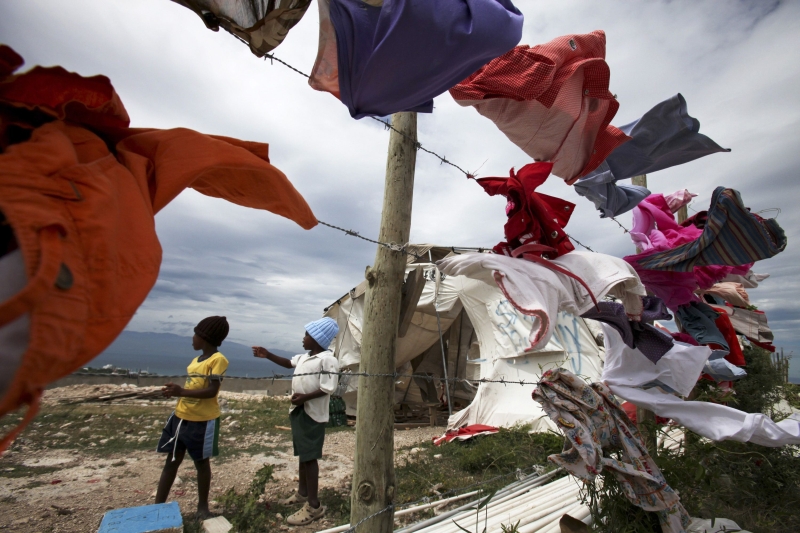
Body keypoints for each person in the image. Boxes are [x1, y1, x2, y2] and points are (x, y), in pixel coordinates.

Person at [252, 317, 340, 526]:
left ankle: (314, 505)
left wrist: (304, 397)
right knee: (303, 453)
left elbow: (329, 387)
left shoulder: (328, 360)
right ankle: (302, 493)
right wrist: (268, 355)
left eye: (307, 335)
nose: (303, 338)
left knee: (310, 457)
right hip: (299, 411)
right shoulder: (305, 357)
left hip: (312, 413)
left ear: (317, 339)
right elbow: (288, 363)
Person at [155, 316, 230, 518]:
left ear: (204, 337)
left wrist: (181, 393)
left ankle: (203, 508)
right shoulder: (196, 360)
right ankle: (157, 506)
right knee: (171, 461)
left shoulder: (218, 360)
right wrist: (176, 392)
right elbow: (192, 386)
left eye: (195, 334)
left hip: (202, 421)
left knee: (201, 463)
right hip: (181, 416)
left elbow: (212, 391)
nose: (192, 338)